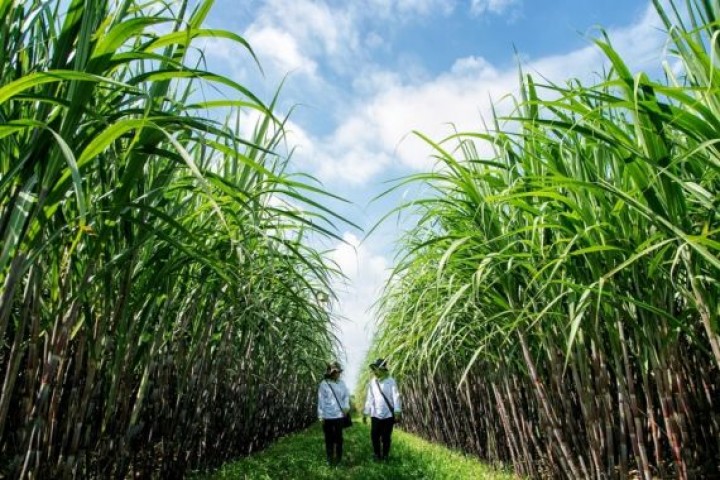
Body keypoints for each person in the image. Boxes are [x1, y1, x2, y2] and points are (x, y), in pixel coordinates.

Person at [363, 358, 402, 461]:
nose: (374, 371)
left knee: (386, 437)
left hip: (388, 415)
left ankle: (385, 455)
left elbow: (396, 396)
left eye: (376, 369)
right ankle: (376, 454)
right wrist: (366, 412)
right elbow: (370, 398)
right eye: (373, 369)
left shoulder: (391, 381)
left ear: (382, 369)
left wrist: (397, 411)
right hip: (375, 414)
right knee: (374, 435)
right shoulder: (372, 382)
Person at [317, 361, 350, 466]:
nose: (337, 374)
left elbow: (346, 396)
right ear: (330, 373)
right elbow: (321, 400)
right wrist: (320, 415)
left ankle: (339, 459)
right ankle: (330, 459)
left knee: (339, 438)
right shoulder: (324, 384)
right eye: (334, 372)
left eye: (338, 372)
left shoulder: (342, 383)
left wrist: (346, 407)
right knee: (329, 439)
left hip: (339, 415)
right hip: (327, 416)